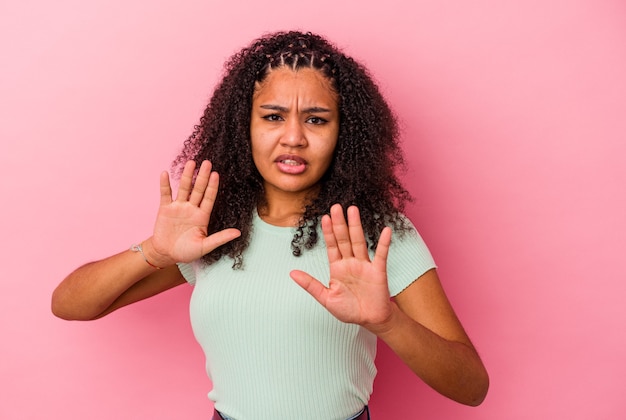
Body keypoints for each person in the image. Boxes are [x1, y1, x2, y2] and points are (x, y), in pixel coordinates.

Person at [52, 31, 489, 420]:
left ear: (345, 132)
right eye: (273, 116)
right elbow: (70, 305)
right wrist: (156, 252)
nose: (294, 137)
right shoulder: (213, 227)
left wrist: (388, 322)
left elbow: (472, 388)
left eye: (316, 119)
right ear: (245, 125)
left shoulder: (373, 230)